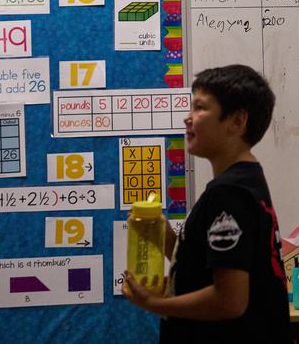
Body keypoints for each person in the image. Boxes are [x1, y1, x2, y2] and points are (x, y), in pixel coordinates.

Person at [122, 64, 290, 343]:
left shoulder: (229, 192)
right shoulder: (244, 181)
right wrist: (168, 239)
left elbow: (229, 300)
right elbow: (210, 264)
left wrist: (153, 304)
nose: (188, 118)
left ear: (237, 121)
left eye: (200, 108)